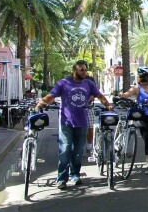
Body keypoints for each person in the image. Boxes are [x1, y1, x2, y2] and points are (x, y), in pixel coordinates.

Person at [36, 60, 111, 188]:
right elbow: (51, 96)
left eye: (85, 69)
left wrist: (108, 105)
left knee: (77, 152)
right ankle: (61, 178)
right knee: (65, 149)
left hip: (82, 122)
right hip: (66, 122)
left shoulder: (89, 83)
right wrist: (40, 104)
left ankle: (75, 175)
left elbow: (99, 95)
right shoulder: (63, 83)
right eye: (81, 69)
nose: (84, 72)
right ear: (74, 70)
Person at [120, 68, 148, 175]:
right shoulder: (137, 88)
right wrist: (121, 95)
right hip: (143, 117)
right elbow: (127, 94)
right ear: (145, 77)